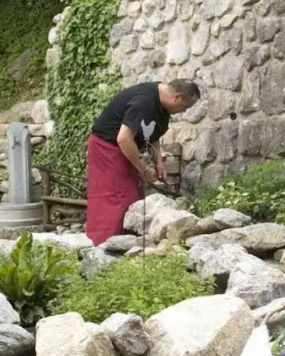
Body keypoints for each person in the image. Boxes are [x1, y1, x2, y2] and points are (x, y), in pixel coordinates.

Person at [85, 79, 201, 244]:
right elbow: (124, 139)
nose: (183, 111)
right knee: (115, 198)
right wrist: (143, 167)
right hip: (107, 148)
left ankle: (126, 245)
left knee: (133, 194)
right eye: (185, 107)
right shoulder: (145, 102)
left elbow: (152, 132)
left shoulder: (163, 101)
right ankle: (102, 246)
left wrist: (158, 161)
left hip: (124, 147)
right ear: (176, 97)